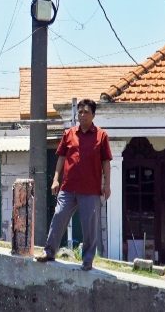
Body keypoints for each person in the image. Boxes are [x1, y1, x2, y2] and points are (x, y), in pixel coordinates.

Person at [35, 98, 112, 270]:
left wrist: (107, 185)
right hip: (68, 187)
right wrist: (56, 179)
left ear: (93, 115)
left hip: (90, 190)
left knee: (89, 226)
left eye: (86, 112)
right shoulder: (69, 134)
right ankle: (49, 252)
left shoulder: (101, 136)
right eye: (80, 112)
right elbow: (61, 157)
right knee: (59, 216)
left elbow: (106, 162)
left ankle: (87, 260)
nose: (82, 115)